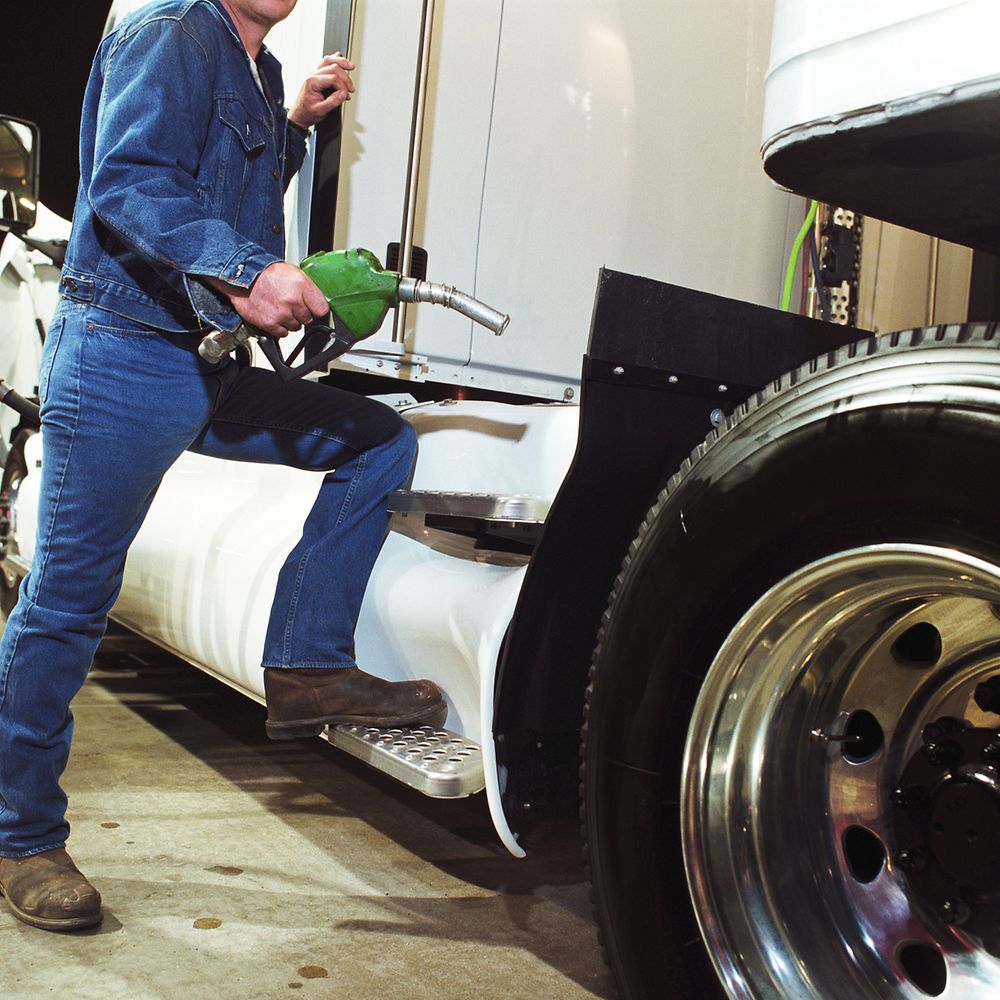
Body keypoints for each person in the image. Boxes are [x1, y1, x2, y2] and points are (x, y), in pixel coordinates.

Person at [0, 0, 446, 933]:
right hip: (123, 354)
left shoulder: (265, 69)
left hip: (204, 364)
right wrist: (251, 269)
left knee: (377, 438)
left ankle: (307, 664)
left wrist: (290, 131)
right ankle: (20, 835)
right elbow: (127, 185)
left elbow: (220, 189)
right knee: (69, 601)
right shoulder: (168, 33)